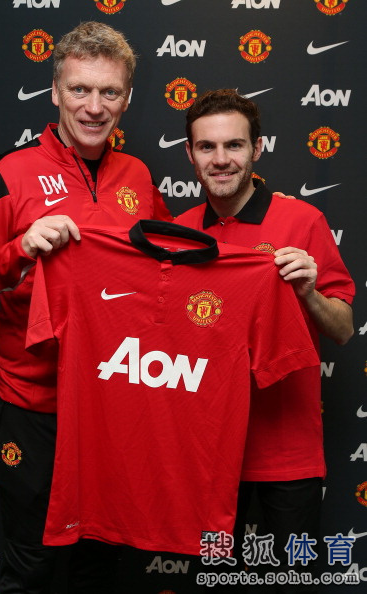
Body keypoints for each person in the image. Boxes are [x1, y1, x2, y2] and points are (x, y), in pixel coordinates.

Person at [0, 21, 171, 594]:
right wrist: (19, 249)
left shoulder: (139, 177)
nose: (94, 107)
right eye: (79, 89)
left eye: (109, 92)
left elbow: (172, 271)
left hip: (115, 403)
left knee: (103, 563)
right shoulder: (12, 173)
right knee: (32, 565)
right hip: (34, 405)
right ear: (55, 92)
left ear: (127, 98)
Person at [175, 89, 355, 591]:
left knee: (294, 579)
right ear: (190, 154)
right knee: (212, 580)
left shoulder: (303, 221)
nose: (221, 159)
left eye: (234, 145)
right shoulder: (178, 233)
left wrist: (309, 292)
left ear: (257, 148)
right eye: (207, 147)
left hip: (287, 451)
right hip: (208, 456)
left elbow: (343, 328)